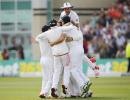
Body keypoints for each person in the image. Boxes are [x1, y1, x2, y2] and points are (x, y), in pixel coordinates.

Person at [36, 19, 74, 98]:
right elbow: (70, 27)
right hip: (63, 53)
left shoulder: (46, 34)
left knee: (55, 72)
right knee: (66, 68)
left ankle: (53, 87)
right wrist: (71, 24)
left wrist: (49, 39)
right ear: (56, 24)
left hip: (54, 55)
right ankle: (65, 85)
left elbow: (38, 37)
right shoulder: (60, 29)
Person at [35, 25, 54, 98]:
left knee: (45, 78)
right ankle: (44, 92)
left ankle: (43, 92)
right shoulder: (47, 37)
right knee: (51, 78)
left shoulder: (40, 38)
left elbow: (37, 38)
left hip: (42, 59)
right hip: (48, 59)